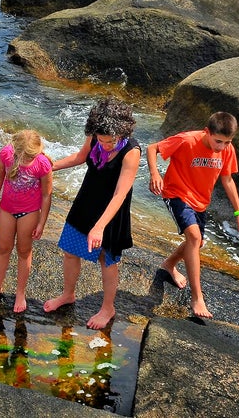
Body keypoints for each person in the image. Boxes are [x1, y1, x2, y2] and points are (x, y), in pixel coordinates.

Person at [44, 97, 141, 330]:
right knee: (69, 250)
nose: (105, 145)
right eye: (101, 140)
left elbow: (120, 194)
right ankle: (68, 294)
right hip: (87, 200)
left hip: (111, 212)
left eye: (110, 141)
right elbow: (80, 157)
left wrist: (99, 227)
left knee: (106, 259)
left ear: (121, 132)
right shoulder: (96, 132)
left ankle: (108, 308)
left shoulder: (131, 151)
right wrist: (50, 166)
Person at [147, 111, 239, 319]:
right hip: (176, 193)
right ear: (207, 132)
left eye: (227, 142)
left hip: (201, 202)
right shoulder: (187, 140)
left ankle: (169, 265)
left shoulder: (227, 151)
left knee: (197, 242)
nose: (221, 147)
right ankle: (197, 297)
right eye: (218, 141)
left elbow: (228, 181)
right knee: (193, 237)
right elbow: (152, 148)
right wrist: (155, 173)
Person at [0, 129, 53, 313]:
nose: (28, 161)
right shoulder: (6, 154)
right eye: (25, 157)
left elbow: (47, 195)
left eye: (31, 157)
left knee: (24, 250)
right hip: (7, 209)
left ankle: (20, 292)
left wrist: (41, 223)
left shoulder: (43, 164)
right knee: (4, 247)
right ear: (16, 151)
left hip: (29, 212)